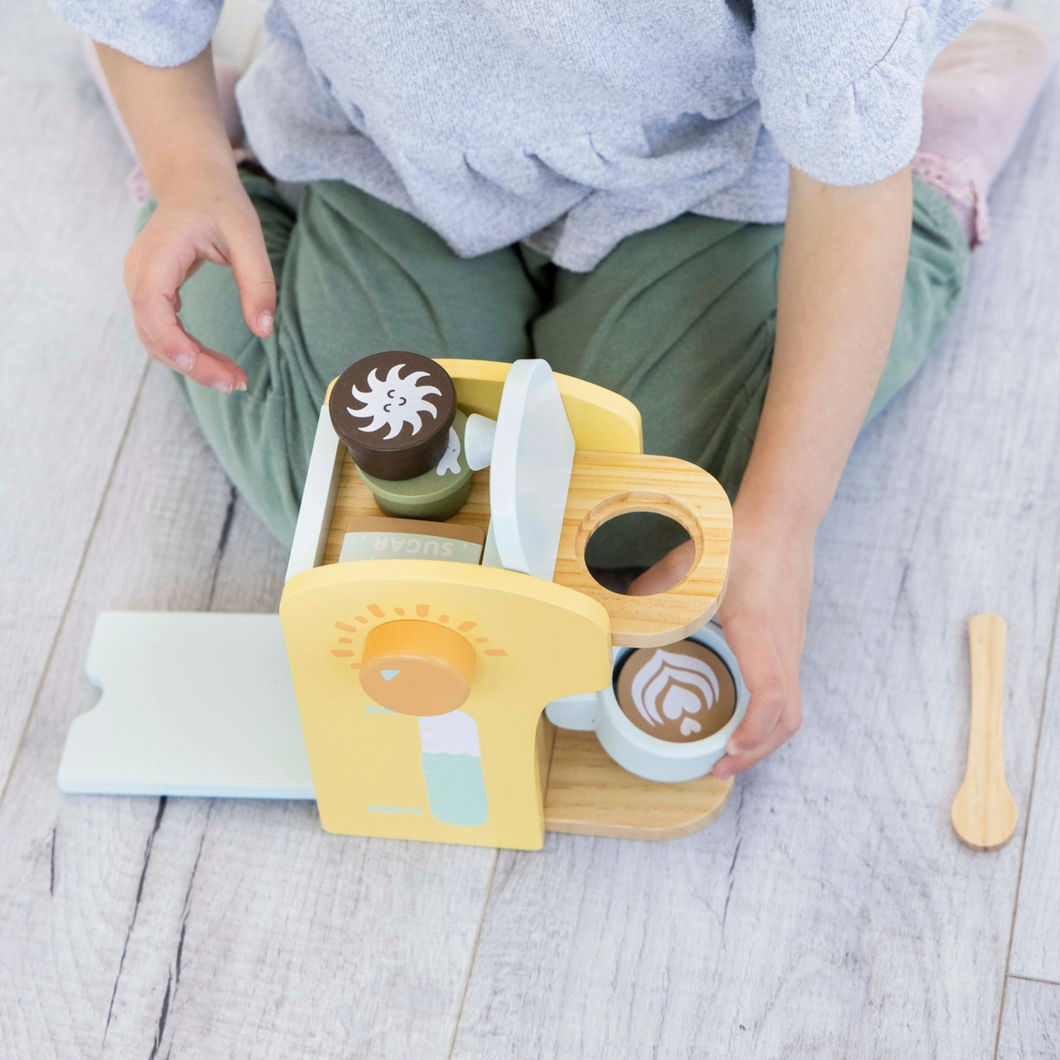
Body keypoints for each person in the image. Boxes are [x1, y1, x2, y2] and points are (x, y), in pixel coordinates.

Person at [53, 0, 1053, 780]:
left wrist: (779, 524)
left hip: (708, 177)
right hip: (379, 147)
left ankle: (930, 151)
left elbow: (842, 186)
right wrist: (186, 166)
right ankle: (225, 151)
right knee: (371, 510)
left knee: (639, 545)